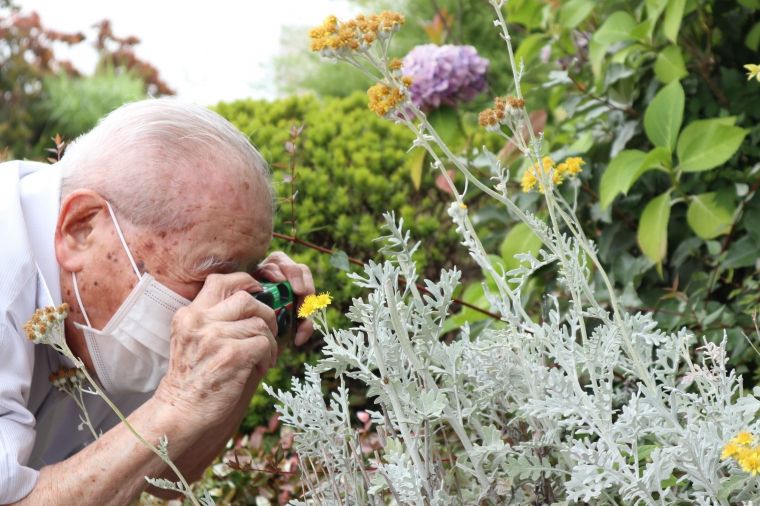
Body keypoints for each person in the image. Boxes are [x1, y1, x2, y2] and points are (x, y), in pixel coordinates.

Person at [0, 98, 315, 504]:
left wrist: (251, 346)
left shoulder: (100, 292)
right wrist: (176, 401)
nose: (217, 302)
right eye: (206, 274)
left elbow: (165, 475)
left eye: (244, 275)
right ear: (82, 229)